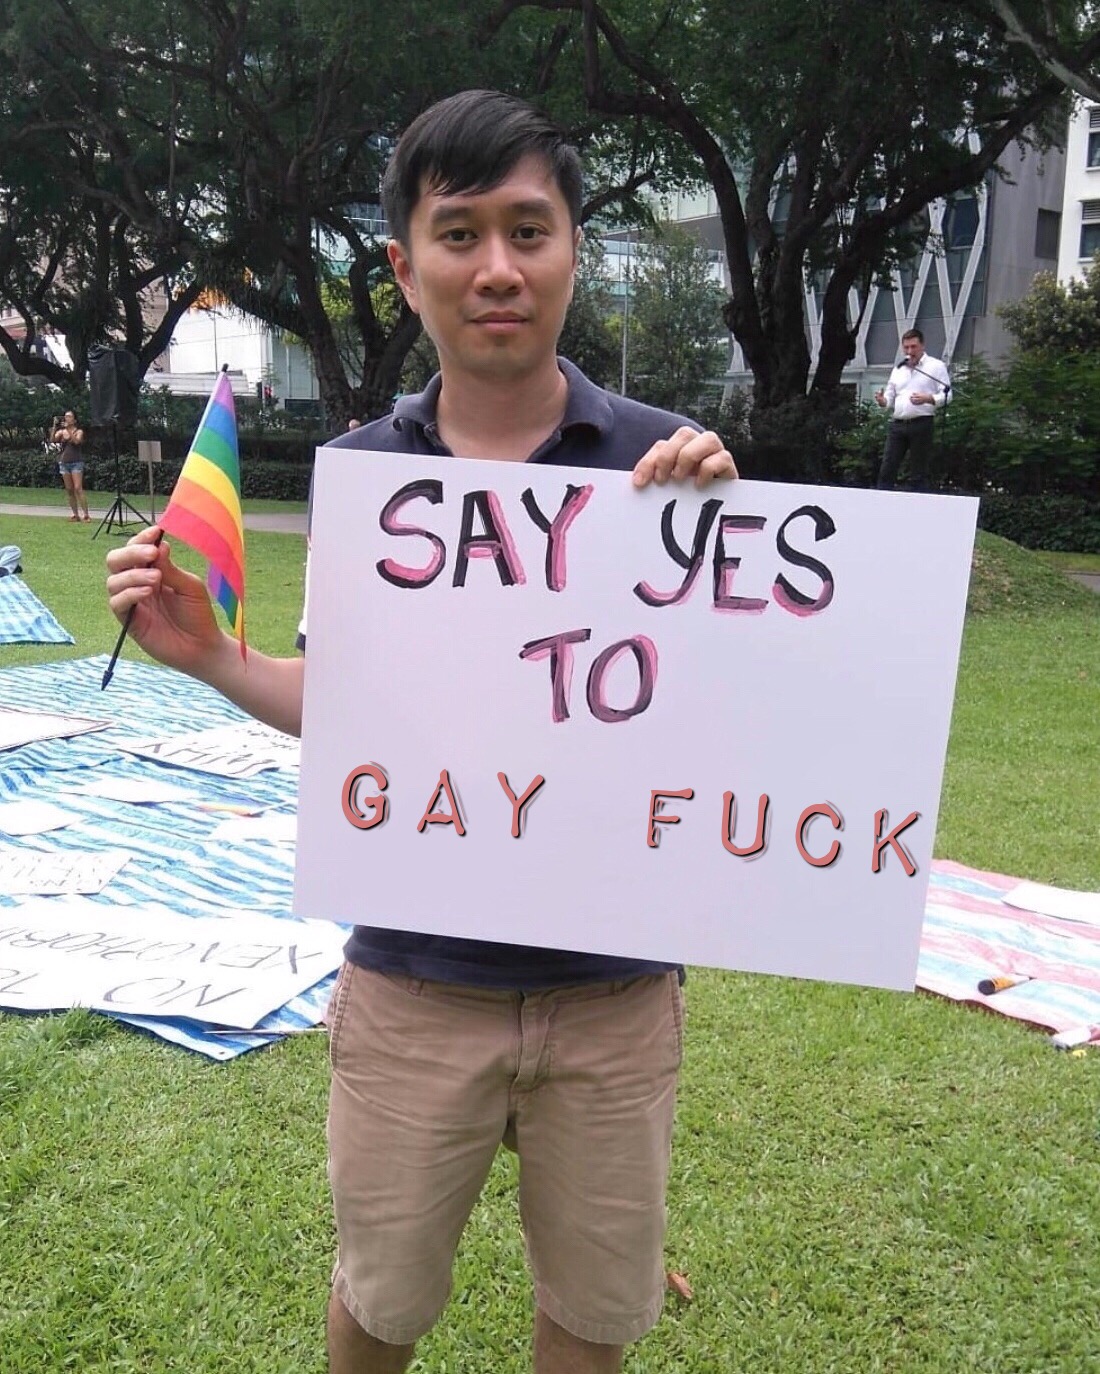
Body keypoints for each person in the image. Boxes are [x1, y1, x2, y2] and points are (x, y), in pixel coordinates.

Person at [106, 89, 736, 1374]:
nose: (497, 267)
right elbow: (354, 712)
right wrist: (214, 658)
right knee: (381, 1299)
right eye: (459, 234)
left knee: (595, 1311)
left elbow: (734, 724)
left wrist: (720, 553)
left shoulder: (669, 467)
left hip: (614, 1000)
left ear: (571, 251)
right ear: (405, 268)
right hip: (409, 988)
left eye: (528, 230)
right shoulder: (366, 475)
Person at [873, 329, 951, 491]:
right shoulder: (899, 369)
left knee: (918, 471)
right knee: (887, 468)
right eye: (906, 347)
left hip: (921, 423)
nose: (909, 351)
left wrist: (928, 398)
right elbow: (889, 398)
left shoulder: (935, 366)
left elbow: (947, 395)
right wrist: (882, 401)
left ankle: (919, 502)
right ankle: (881, 500)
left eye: (913, 347)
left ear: (922, 346)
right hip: (898, 424)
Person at [51, 410, 89, 521]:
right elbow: (53, 439)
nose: (66, 418)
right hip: (64, 463)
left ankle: (86, 514)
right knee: (69, 489)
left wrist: (68, 429)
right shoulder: (62, 432)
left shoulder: (79, 431)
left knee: (78, 488)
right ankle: (75, 514)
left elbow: (76, 441)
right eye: (65, 416)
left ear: (74, 420)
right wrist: (54, 426)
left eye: (69, 416)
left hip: (76, 462)